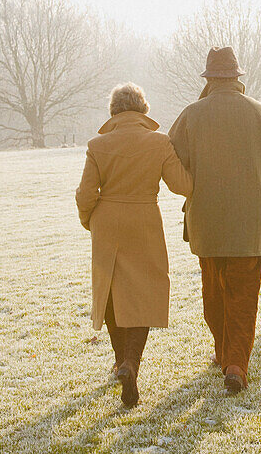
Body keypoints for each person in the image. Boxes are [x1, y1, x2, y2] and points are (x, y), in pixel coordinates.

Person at [169, 47, 261, 393]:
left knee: (214, 294)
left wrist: (190, 190)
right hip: (248, 228)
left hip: (206, 226)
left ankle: (225, 355)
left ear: (209, 79)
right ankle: (236, 365)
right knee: (242, 296)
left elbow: (170, 163)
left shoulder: (191, 115)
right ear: (239, 78)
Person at [75, 83, 192, 408]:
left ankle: (118, 361)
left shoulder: (97, 145)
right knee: (144, 292)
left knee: (112, 291)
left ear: (113, 111)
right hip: (144, 220)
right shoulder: (158, 142)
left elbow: (86, 195)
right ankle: (131, 363)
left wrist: (89, 221)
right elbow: (182, 185)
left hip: (107, 223)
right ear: (143, 110)